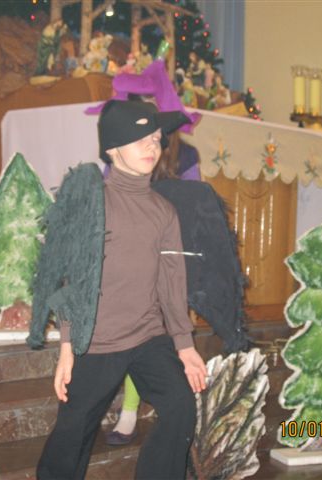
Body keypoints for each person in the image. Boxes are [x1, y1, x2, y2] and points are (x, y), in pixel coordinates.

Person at [32, 99, 208, 479]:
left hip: (147, 335)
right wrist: (67, 346)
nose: (152, 147)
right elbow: (70, 278)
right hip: (97, 340)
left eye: (156, 139)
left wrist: (184, 345)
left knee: (180, 407)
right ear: (112, 148)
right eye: (140, 139)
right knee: (73, 432)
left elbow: (171, 282)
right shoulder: (90, 202)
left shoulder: (163, 211)